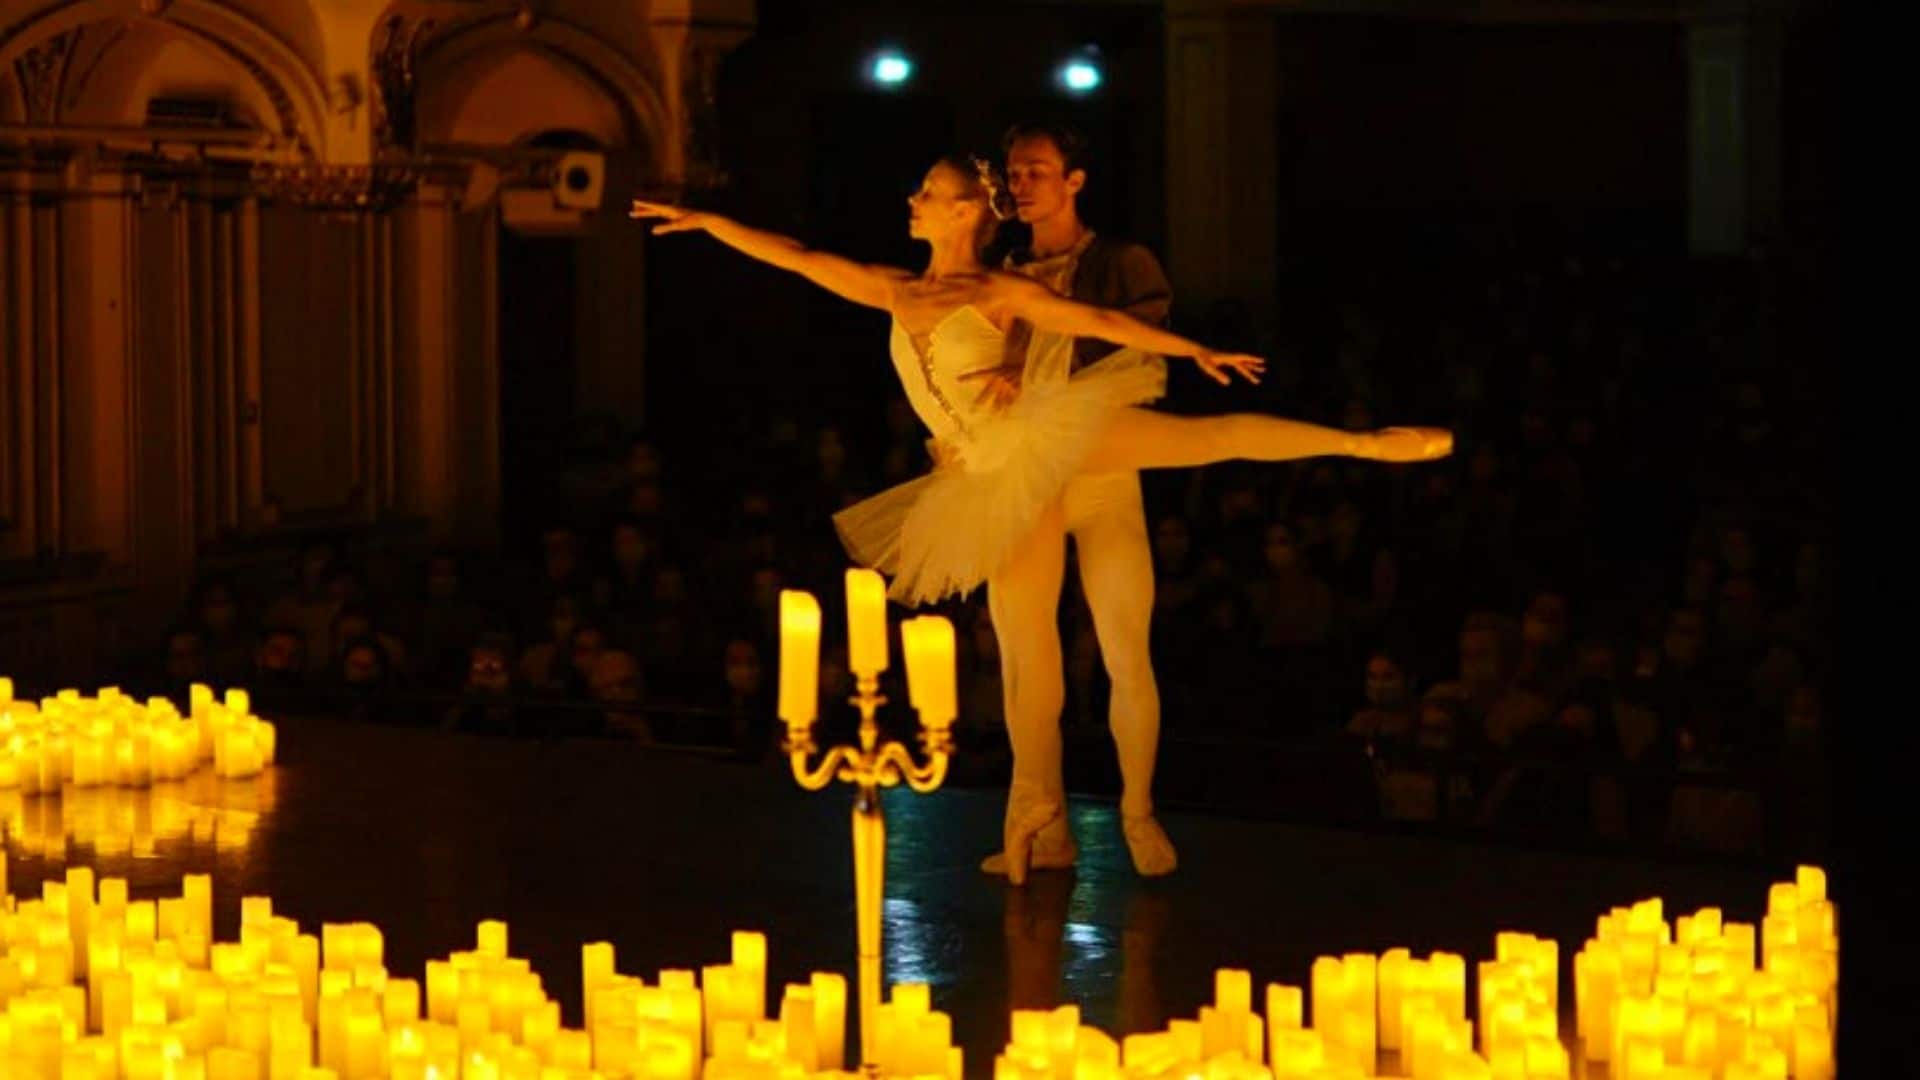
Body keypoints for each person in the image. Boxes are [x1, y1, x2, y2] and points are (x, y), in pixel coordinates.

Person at [631, 155, 1450, 878]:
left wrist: (1192, 351)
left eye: (929, 191)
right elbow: (801, 259)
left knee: (1207, 439)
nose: (912, 199)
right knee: (1028, 658)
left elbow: (1095, 322)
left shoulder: (998, 291)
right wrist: (707, 221)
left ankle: (1367, 444)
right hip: (983, 476)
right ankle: (1037, 816)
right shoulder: (893, 287)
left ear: (963, 213)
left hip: (1039, 439)